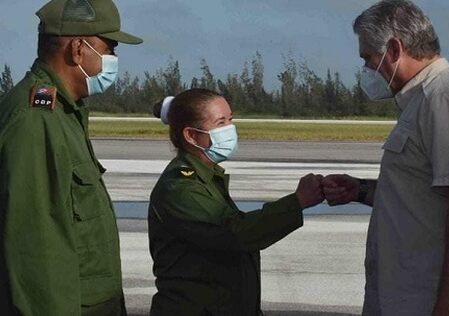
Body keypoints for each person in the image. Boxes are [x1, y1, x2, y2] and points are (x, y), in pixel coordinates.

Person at [322, 1, 449, 315]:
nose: (368, 69)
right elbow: (421, 192)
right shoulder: (420, 100)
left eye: (369, 58)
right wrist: (362, 191)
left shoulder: (445, 99)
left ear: (394, 49)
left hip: (427, 297)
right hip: (405, 293)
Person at [0, 0, 142, 315]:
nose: (113, 59)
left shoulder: (64, 113)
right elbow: (36, 248)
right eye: (110, 48)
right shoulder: (36, 120)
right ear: (78, 49)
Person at [148, 88, 324, 316]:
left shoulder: (206, 177)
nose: (230, 129)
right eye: (220, 122)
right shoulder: (181, 188)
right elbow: (238, 233)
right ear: (191, 135)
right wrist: (297, 202)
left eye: (230, 119)